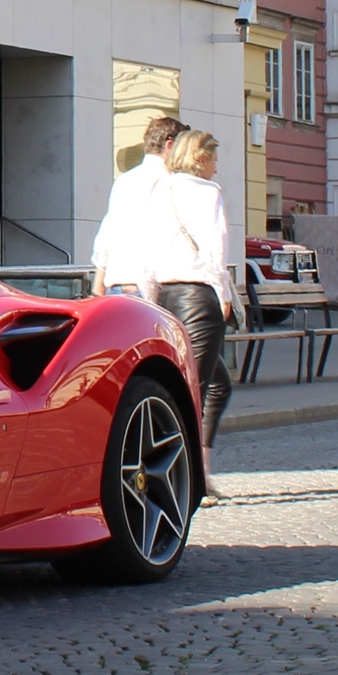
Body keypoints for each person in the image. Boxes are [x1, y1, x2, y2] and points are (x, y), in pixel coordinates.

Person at [150, 130, 237, 498]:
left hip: (167, 294)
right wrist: (223, 293)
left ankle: (199, 471)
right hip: (199, 296)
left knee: (213, 384)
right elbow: (217, 250)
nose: (217, 169)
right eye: (214, 160)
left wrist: (150, 295)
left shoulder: (161, 189)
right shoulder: (207, 193)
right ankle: (184, 479)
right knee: (195, 390)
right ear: (200, 159)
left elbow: (147, 247)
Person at [91, 116, 188, 294]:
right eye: (184, 150)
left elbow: (107, 233)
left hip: (116, 284)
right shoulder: (170, 183)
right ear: (169, 145)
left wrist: (98, 285)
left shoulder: (124, 180)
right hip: (149, 287)